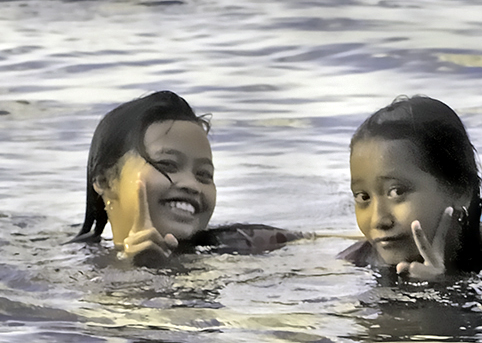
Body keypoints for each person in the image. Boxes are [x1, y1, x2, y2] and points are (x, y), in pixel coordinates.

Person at [68, 90, 305, 264]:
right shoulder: (69, 266)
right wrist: (140, 272)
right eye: (168, 165)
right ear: (105, 180)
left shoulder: (239, 248)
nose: (192, 185)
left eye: (204, 175)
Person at [340, 95, 482, 280]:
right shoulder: (352, 265)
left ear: (460, 190)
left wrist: (443, 286)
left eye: (397, 192)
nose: (379, 220)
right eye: (363, 197)